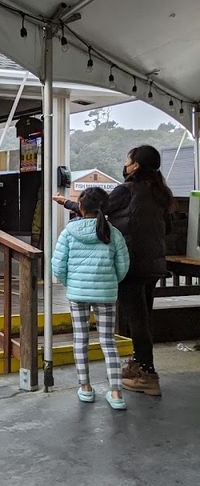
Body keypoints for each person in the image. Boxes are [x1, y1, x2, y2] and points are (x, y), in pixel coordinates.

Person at [53, 145, 173, 396]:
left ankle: (146, 372)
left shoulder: (126, 190)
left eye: (127, 161)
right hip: (154, 264)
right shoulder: (162, 193)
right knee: (143, 317)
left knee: (136, 319)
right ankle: (141, 366)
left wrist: (67, 203)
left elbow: (98, 210)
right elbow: (169, 227)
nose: (125, 165)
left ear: (136, 165)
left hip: (133, 263)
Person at [51, 187, 130, 410]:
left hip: (78, 294)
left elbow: (58, 266)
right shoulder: (113, 233)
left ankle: (85, 387)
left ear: (81, 208)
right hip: (106, 294)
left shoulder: (69, 232)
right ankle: (116, 392)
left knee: (81, 339)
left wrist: (71, 283)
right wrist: (110, 282)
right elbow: (123, 266)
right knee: (108, 341)